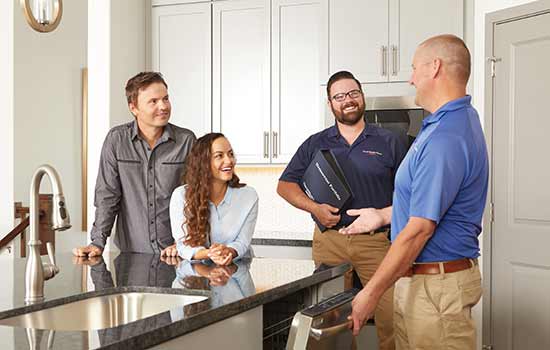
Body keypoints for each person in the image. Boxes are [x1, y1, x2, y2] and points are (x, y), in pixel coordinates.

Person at [348, 34, 488, 350]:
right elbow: (431, 203)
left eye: (414, 69)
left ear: (434, 67)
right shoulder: (449, 123)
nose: (410, 79)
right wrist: (382, 215)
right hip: (425, 283)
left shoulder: (446, 136)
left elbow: (420, 229)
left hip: (435, 289)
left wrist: (370, 293)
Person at [277, 71, 407, 350]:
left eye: (353, 94)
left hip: (377, 243)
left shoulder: (390, 141)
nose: (347, 100)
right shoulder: (316, 142)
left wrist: (382, 212)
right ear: (330, 104)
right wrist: (314, 208)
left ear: (362, 97)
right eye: (339, 96)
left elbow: (411, 195)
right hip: (330, 242)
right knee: (331, 325)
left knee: (392, 320)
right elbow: (285, 185)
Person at [73, 72, 196, 257]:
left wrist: (187, 243)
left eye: (166, 98)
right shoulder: (116, 140)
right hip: (132, 255)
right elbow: (107, 196)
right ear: (134, 108)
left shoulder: (186, 141)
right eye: (153, 101)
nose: (163, 106)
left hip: (176, 255)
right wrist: (97, 242)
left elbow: (197, 198)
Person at [170, 133, 258, 265]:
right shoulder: (181, 196)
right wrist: (210, 254)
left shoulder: (249, 196)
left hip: (238, 269)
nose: (229, 161)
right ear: (203, 162)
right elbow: (183, 245)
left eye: (230, 154)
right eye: (219, 156)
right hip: (195, 274)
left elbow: (242, 242)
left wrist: (228, 251)